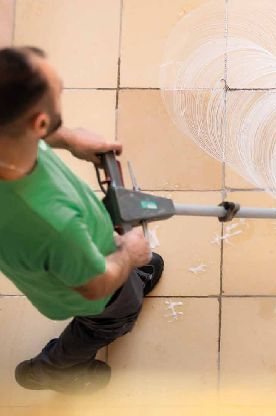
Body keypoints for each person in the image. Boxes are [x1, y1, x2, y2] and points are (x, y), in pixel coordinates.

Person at [0, 46, 164, 394]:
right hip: (93, 292)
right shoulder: (52, 224)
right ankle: (55, 370)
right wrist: (127, 255)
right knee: (110, 318)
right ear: (39, 123)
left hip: (74, 251)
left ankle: (132, 278)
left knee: (128, 278)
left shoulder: (12, 145)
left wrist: (69, 137)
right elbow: (94, 285)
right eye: (58, 90)